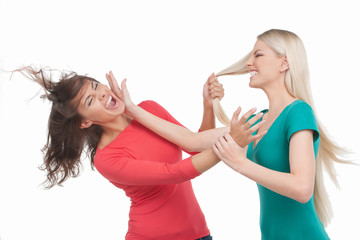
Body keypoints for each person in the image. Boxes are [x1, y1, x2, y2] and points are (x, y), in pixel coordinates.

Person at [14, 67, 266, 240]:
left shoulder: (148, 109)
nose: (101, 93)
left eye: (95, 86)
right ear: (85, 123)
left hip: (200, 233)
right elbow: (177, 172)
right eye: (90, 101)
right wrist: (231, 141)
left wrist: (208, 104)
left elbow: (194, 144)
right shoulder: (107, 158)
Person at [210, 29, 348, 239]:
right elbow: (192, 143)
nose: (248, 62)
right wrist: (208, 104)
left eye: (258, 54)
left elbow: (302, 188)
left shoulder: (298, 112)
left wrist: (241, 163)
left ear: (284, 63)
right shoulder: (260, 120)